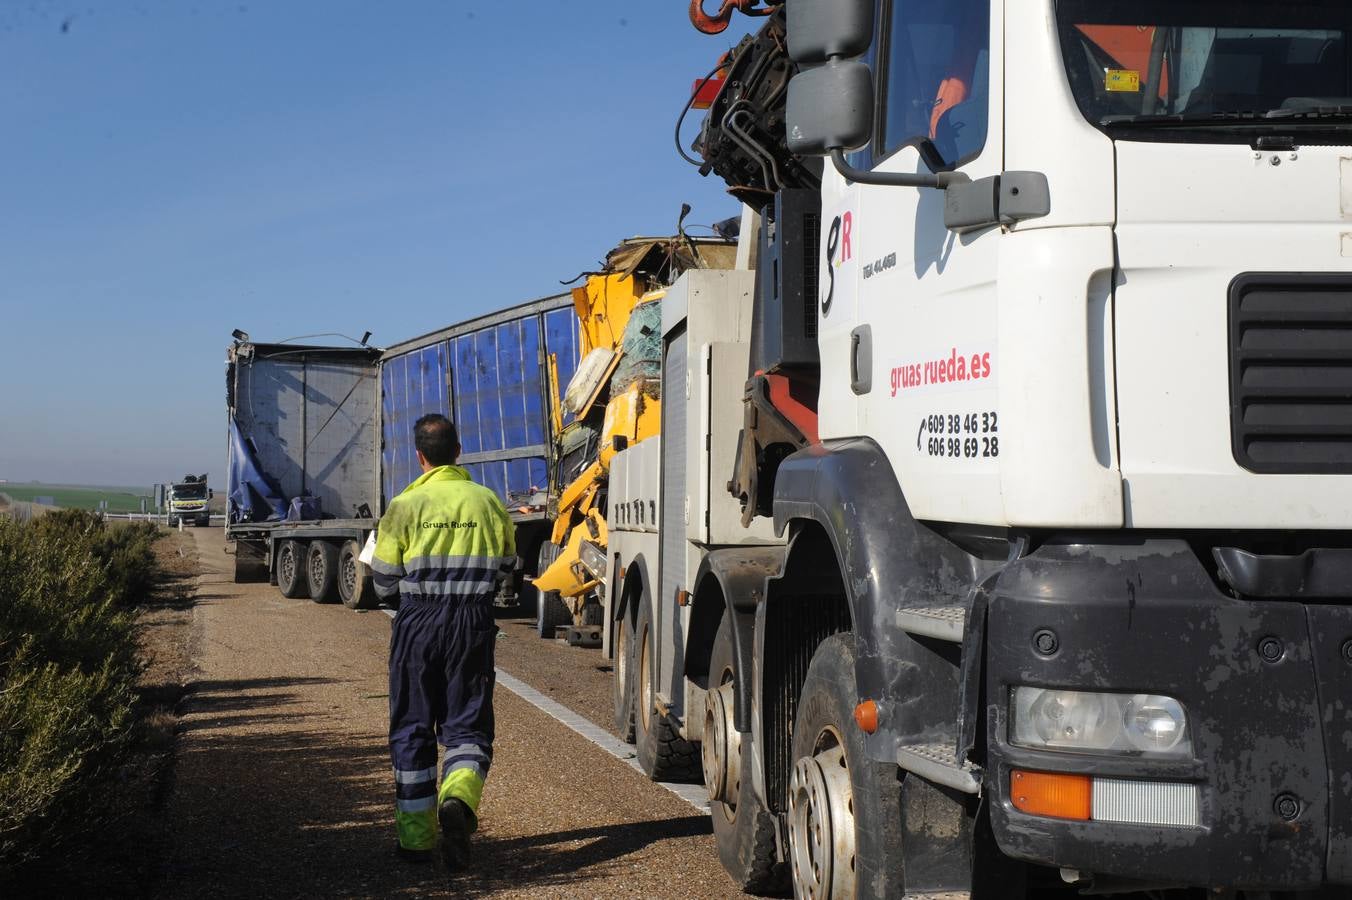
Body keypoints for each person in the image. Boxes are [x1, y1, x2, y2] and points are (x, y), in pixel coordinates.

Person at [371, 413, 516, 868]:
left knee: (413, 724)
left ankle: (415, 842)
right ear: (458, 452)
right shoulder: (487, 501)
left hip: (418, 623)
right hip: (471, 623)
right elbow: (508, 568)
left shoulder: (404, 506)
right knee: (467, 724)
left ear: (420, 457)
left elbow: (382, 580)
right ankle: (459, 799)